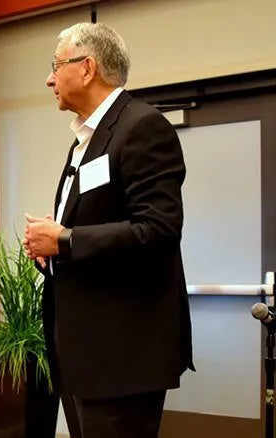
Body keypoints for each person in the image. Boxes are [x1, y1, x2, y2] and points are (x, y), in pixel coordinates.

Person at [22, 23, 194, 438]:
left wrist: (63, 240)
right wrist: (55, 243)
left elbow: (159, 229)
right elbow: (99, 220)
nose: (49, 78)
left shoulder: (141, 127)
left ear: (86, 68)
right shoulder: (85, 138)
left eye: (55, 65)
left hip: (122, 355)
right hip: (85, 351)